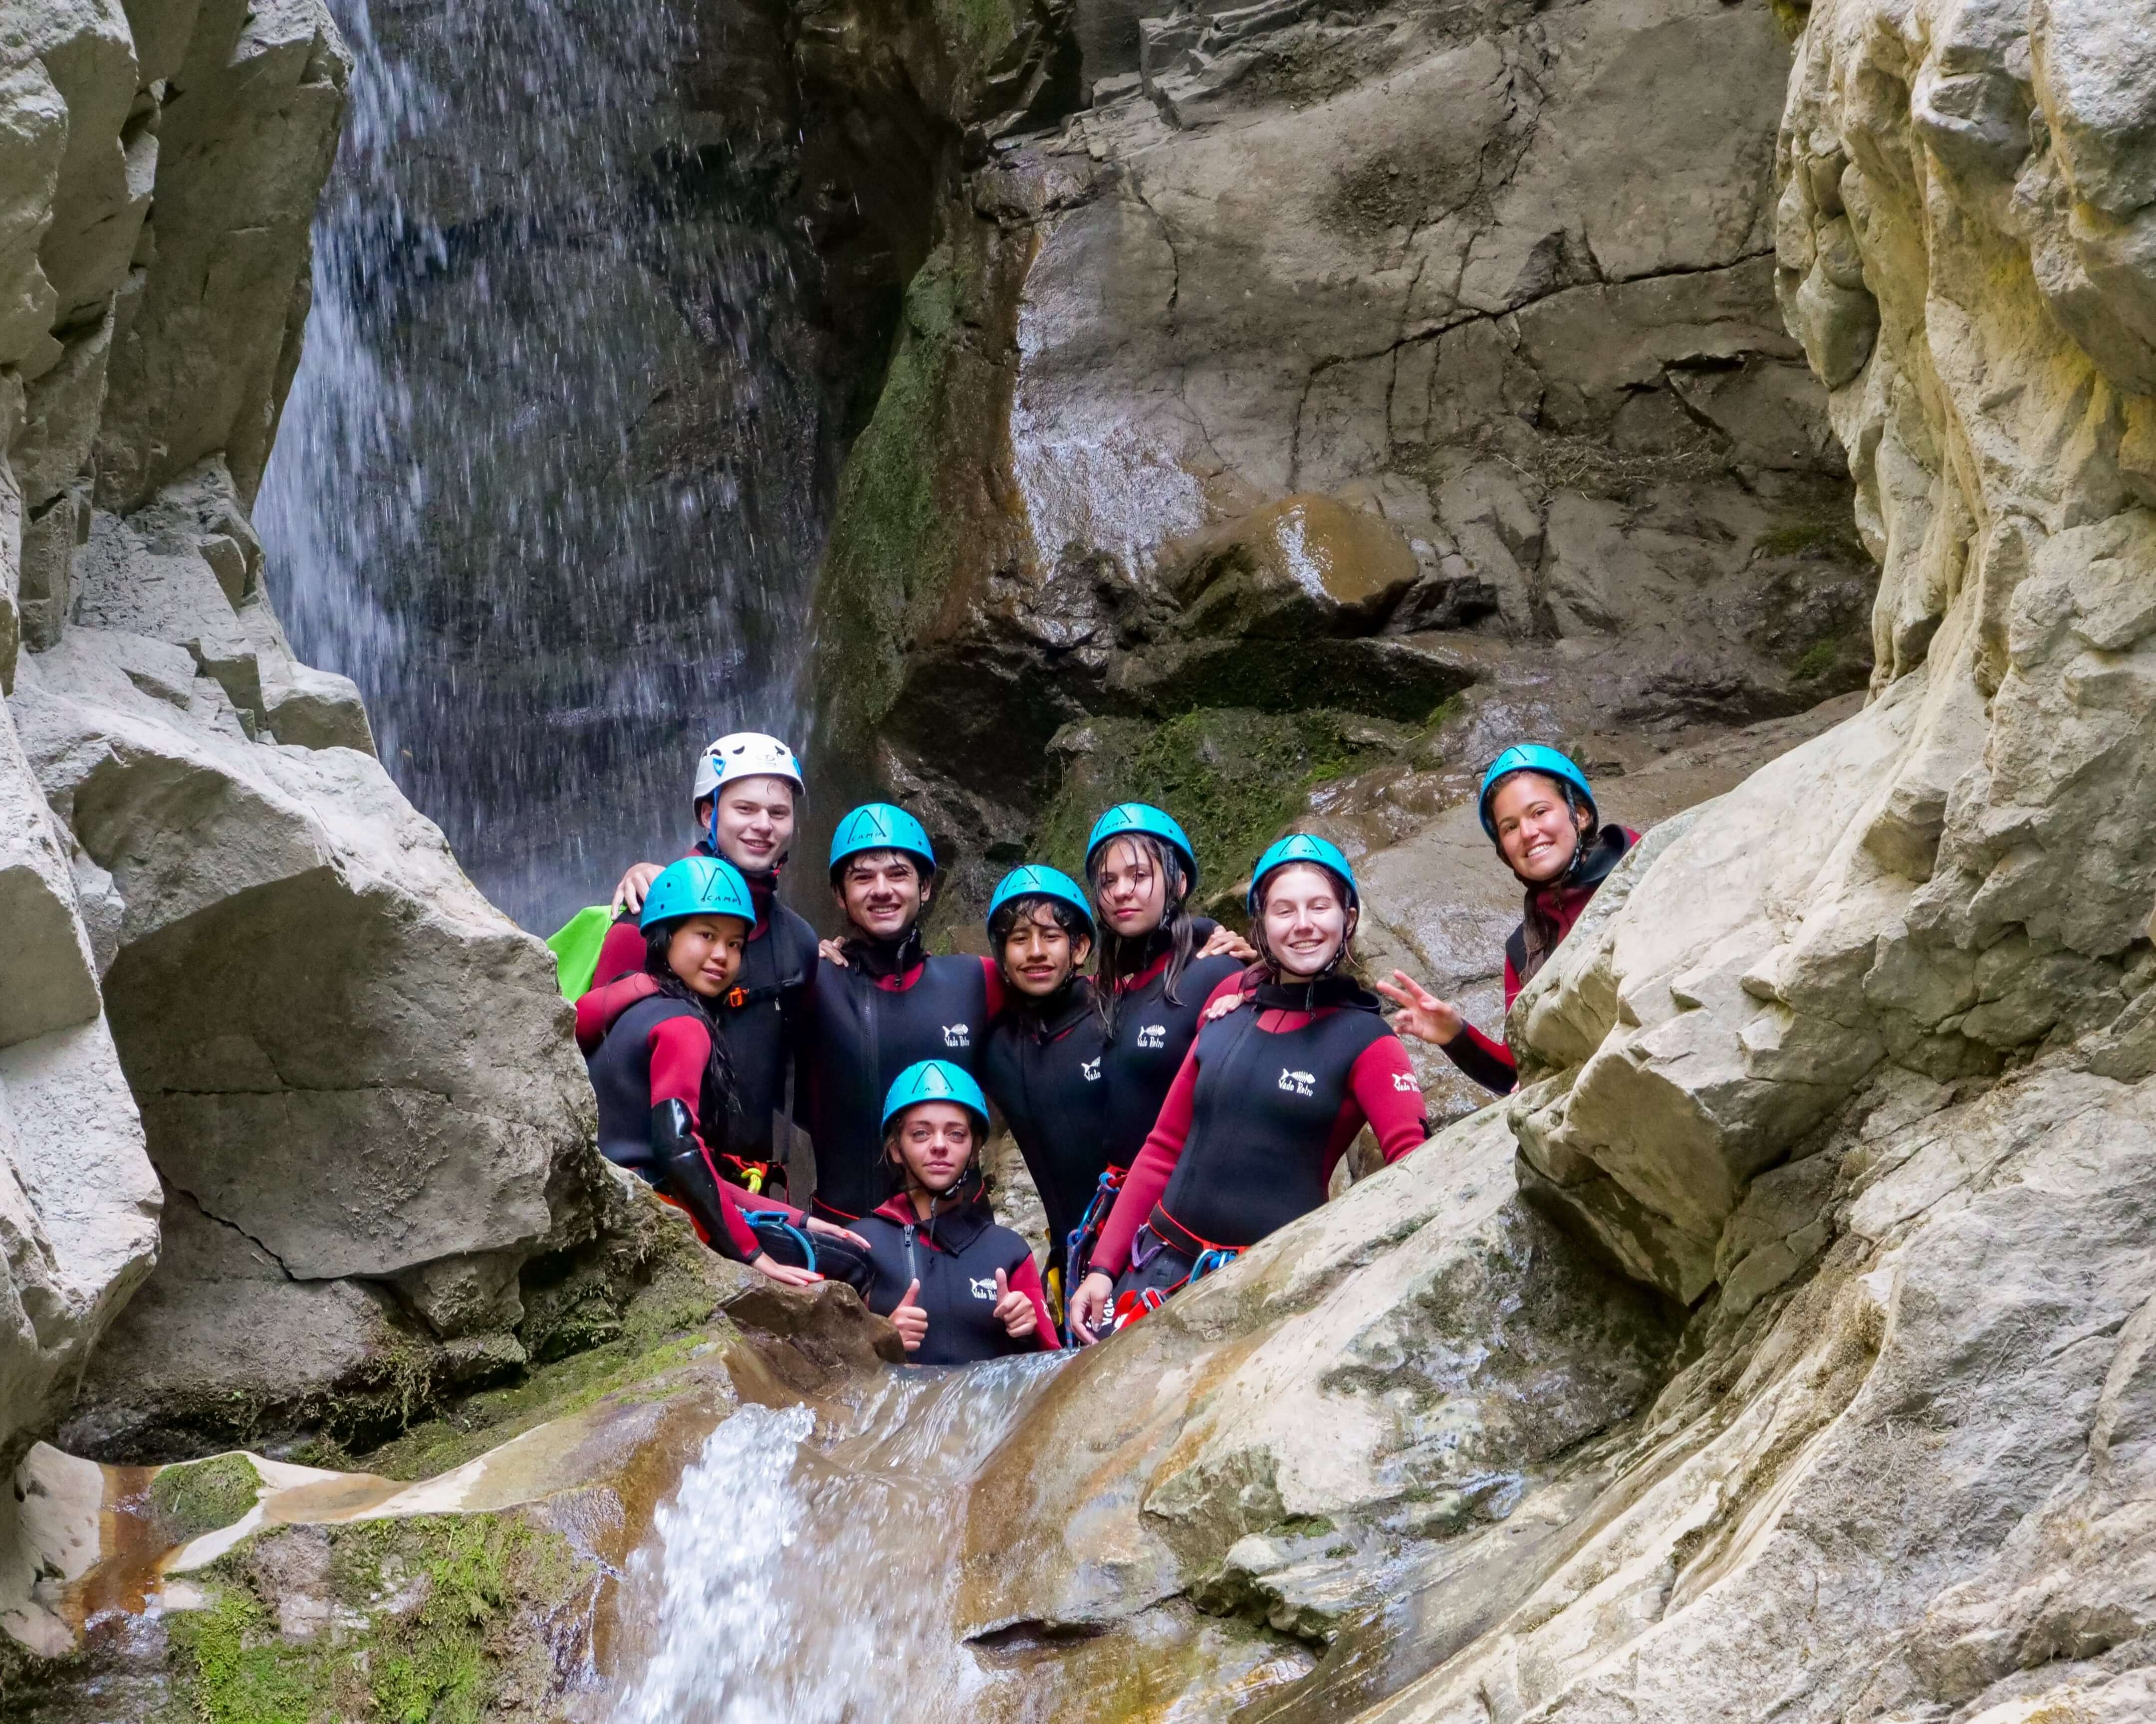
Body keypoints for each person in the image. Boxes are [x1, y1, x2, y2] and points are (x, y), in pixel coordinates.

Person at [1066, 835, 1428, 1342]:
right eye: (1284, 910)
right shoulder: (1228, 1007)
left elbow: (1416, 1169)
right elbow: (1163, 1147)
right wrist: (1103, 1268)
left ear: (1347, 919)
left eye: (1318, 907)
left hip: (1262, 1287)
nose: (1302, 924)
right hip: (1151, 1267)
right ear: (1260, 926)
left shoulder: (1369, 1042)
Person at [578, 857, 870, 1288]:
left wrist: (799, 1219)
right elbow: (679, 1151)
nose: (722, 956)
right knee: (857, 1265)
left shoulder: (623, 1003)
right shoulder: (683, 1026)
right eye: (706, 936)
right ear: (665, 936)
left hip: (612, 1205)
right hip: (658, 1213)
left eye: (735, 945)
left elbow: (670, 1160)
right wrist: (751, 1254)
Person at [581, 733, 821, 1195]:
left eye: (778, 813)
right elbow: (593, 1066)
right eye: (745, 809)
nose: (763, 826)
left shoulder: (798, 944)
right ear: (709, 814)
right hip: (651, 1195)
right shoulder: (645, 920)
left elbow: (804, 1075)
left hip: (747, 1194)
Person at [1374, 746, 1637, 1096]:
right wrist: (1454, 1033)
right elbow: (1521, 1073)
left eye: (1540, 812)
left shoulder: (1647, 866)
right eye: (1510, 827)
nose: (1528, 833)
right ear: (1504, 849)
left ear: (1582, 815)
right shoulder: (1524, 949)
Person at [803, 804, 1005, 1225]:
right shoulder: (809, 982)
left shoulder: (975, 980)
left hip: (964, 1237)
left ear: (925, 886)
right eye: (862, 878)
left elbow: (1075, 1003)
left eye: (897, 874)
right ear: (840, 895)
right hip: (845, 1237)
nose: (881, 890)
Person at [1073, 804, 1252, 1277]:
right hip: (1114, 1213)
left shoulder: (1215, 970)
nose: (1121, 892)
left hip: (1183, 1221)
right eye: (1108, 881)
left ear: (1178, 883)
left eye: (1138, 875)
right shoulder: (1108, 990)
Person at [853, 1061, 1060, 1364]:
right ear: (897, 1149)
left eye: (956, 1135)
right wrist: (880, 1338)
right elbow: (824, 1371)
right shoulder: (861, 1244)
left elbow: (1056, 1375)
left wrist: (1028, 1332)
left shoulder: (1008, 1251)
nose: (939, 1146)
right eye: (921, 1134)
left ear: (974, 1150)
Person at [976, 865, 1110, 1327]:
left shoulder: (1116, 1019)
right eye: (1018, 939)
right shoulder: (995, 1045)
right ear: (1001, 956)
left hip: (1138, 1249)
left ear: (1080, 948)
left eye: (1050, 936)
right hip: (1068, 1262)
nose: (1035, 953)